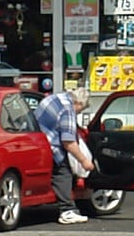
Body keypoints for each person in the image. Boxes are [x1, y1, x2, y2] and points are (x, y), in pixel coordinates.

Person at [35, 85, 93, 225]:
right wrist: (84, 161)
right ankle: (67, 211)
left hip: (36, 140)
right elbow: (68, 142)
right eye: (81, 110)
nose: (78, 113)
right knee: (63, 171)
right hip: (50, 146)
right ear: (78, 103)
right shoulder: (68, 110)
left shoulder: (55, 98)